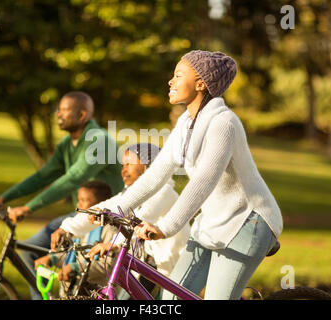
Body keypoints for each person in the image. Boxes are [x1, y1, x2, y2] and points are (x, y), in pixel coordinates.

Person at [106, 50, 283, 300]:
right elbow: (155, 174)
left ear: (201, 84)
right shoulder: (186, 124)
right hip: (213, 222)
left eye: (178, 75)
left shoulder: (224, 123)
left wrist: (166, 227)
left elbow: (204, 181)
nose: (171, 81)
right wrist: (116, 208)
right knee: (170, 299)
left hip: (249, 221)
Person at [0, 91, 123, 299]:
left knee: (67, 261)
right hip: (83, 213)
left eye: (65, 110)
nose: (58, 114)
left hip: (105, 219)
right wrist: (5, 197)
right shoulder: (68, 144)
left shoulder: (99, 141)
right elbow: (43, 176)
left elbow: (72, 178)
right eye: (58, 109)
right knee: (29, 249)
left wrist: (28, 208)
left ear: (82, 115)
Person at [52, 143, 190, 278]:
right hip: (148, 266)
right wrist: (67, 229)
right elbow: (107, 207)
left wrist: (114, 244)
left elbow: (142, 217)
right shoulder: (131, 194)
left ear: (149, 167)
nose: (123, 170)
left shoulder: (164, 191)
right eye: (122, 165)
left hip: (172, 269)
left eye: (129, 164)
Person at [34, 181, 118, 295]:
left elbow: (108, 265)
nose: (78, 205)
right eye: (78, 200)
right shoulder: (78, 228)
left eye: (84, 201)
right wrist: (53, 259)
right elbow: (72, 254)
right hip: (71, 290)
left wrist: (76, 268)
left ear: (101, 205)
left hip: (95, 293)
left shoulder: (109, 230)